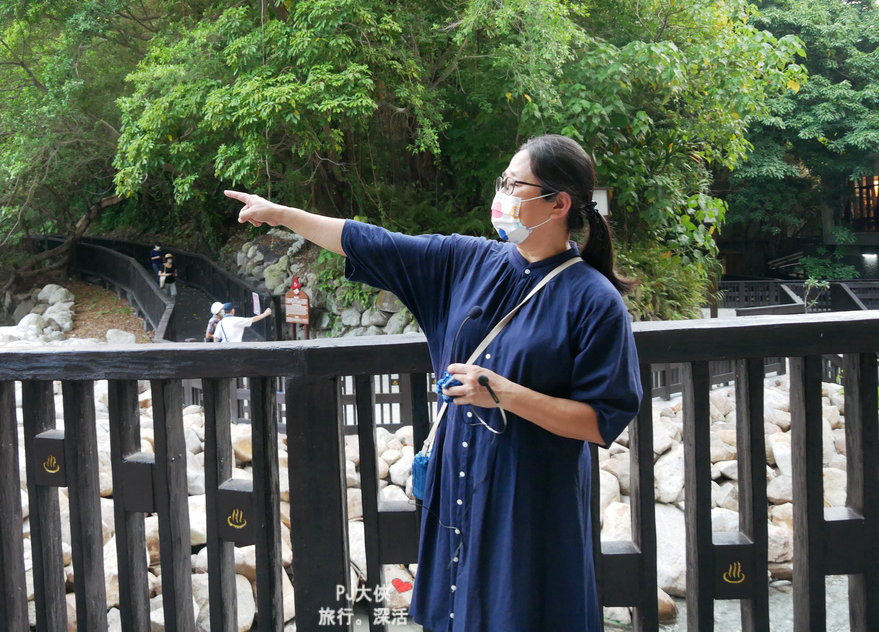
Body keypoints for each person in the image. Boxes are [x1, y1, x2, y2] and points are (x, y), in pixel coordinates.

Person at [225, 134, 642, 632]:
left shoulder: (593, 300)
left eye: (515, 183)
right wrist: (283, 214)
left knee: (524, 613)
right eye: (502, 181)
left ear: (558, 203)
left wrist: (504, 393)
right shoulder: (468, 262)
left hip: (529, 506)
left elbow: (601, 420)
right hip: (458, 489)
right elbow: (372, 241)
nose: (503, 193)